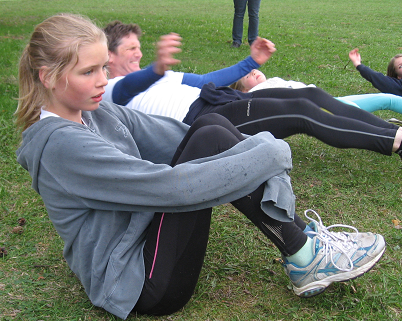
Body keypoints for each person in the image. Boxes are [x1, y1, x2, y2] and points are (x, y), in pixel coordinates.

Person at [15, 13, 386, 320]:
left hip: (144, 238)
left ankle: (305, 249)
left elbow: (181, 136)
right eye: (88, 72)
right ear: (47, 76)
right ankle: (306, 254)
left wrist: (256, 150)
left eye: (103, 69)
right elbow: (169, 188)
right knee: (217, 143)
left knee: (210, 128)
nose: (103, 81)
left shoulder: (96, 111)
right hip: (138, 282)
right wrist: (270, 156)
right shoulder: (59, 145)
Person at [102, 34, 402, 160]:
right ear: (109, 56)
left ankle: (394, 132)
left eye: (139, 46)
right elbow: (132, 85)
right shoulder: (113, 90)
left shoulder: (162, 75)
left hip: (218, 102)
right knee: (300, 112)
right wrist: (155, 68)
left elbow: (208, 81)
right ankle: (394, 142)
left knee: (308, 93)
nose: (139, 52)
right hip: (199, 124)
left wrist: (251, 62)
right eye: (130, 48)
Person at [231, 69, 402, 116]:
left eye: (252, 70)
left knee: (385, 99)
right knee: (364, 117)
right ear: (243, 89)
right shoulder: (256, 93)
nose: (253, 72)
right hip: (323, 108)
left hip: (329, 100)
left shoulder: (271, 81)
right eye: (247, 76)